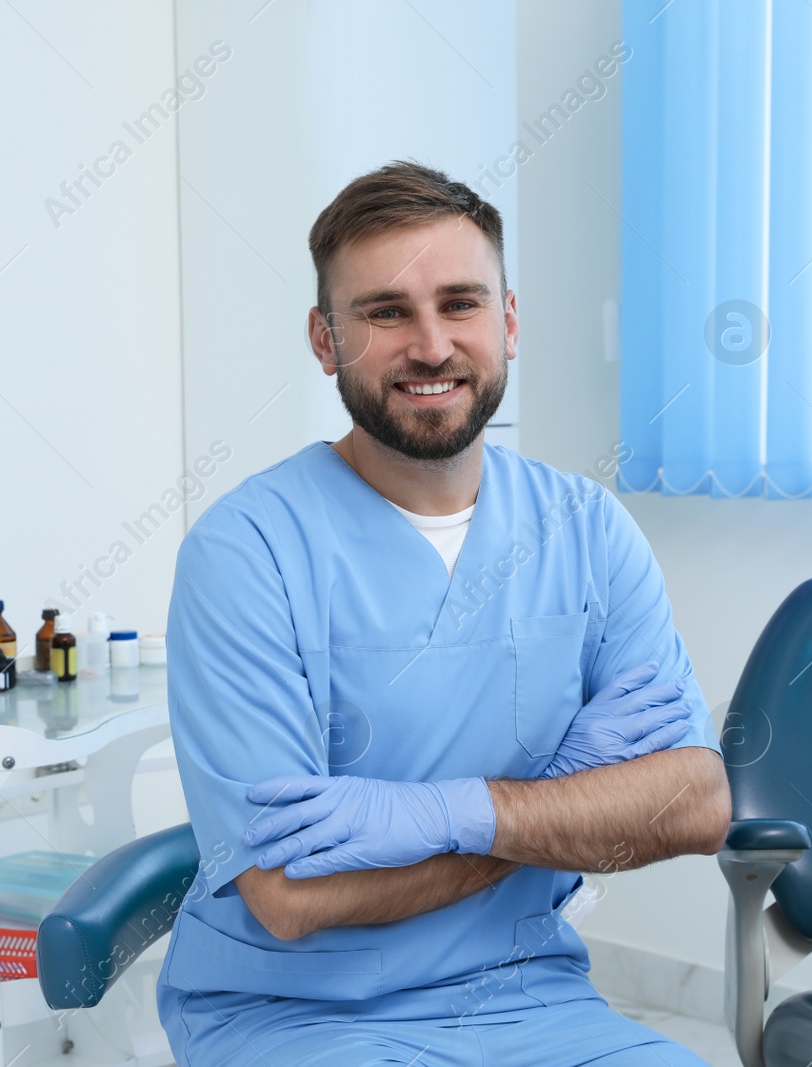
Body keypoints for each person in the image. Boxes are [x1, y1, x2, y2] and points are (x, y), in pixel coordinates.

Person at [156, 160, 730, 1066]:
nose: (431, 346)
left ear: (508, 322)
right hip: (293, 1015)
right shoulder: (246, 551)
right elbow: (288, 897)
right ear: (323, 338)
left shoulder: (585, 527)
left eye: (461, 303)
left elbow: (695, 803)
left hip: (527, 996)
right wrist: (553, 801)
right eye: (386, 312)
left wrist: (449, 812)